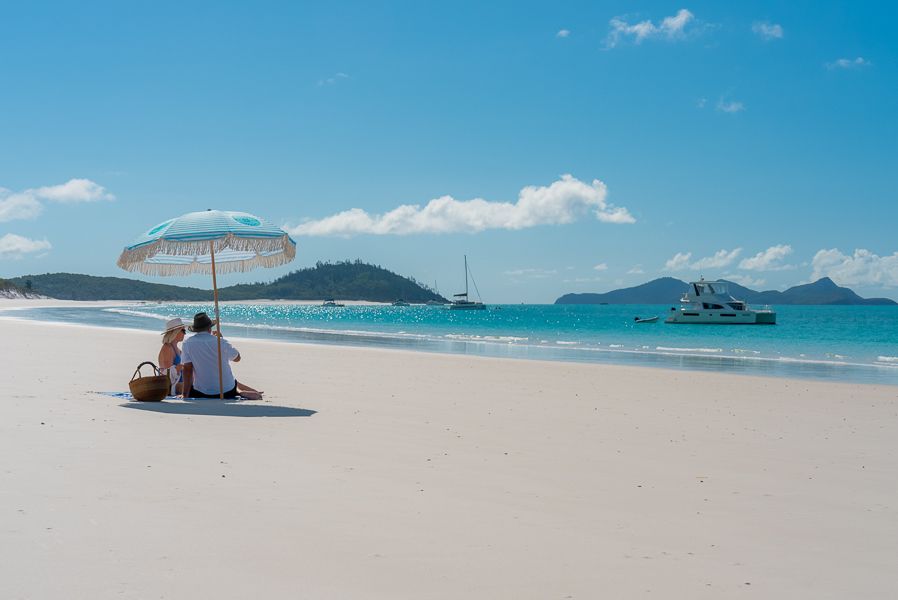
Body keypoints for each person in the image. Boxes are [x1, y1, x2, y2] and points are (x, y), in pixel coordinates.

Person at [180, 312, 263, 400]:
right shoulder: (221, 342)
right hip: (226, 391)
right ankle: (238, 392)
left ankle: (238, 391)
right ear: (209, 328)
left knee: (195, 388)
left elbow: (187, 370)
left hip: (201, 392)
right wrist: (221, 340)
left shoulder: (187, 343)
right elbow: (237, 358)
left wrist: (185, 394)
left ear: (196, 329)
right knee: (231, 383)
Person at [158, 317, 187, 396]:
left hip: (179, 384)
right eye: (183, 331)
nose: (185, 334)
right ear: (175, 332)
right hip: (172, 387)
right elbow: (167, 375)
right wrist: (179, 368)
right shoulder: (167, 348)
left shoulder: (177, 349)